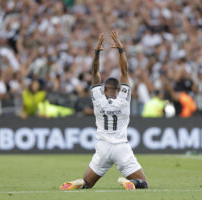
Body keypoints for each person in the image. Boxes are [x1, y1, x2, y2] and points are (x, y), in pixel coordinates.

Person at [59, 31, 148, 191]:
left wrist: (97, 52)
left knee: (87, 184)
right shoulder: (123, 99)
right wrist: (121, 50)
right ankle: (129, 182)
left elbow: (94, 72)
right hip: (121, 147)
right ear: (119, 89)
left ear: (104, 88)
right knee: (143, 183)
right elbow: (124, 72)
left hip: (103, 148)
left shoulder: (98, 99)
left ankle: (80, 182)